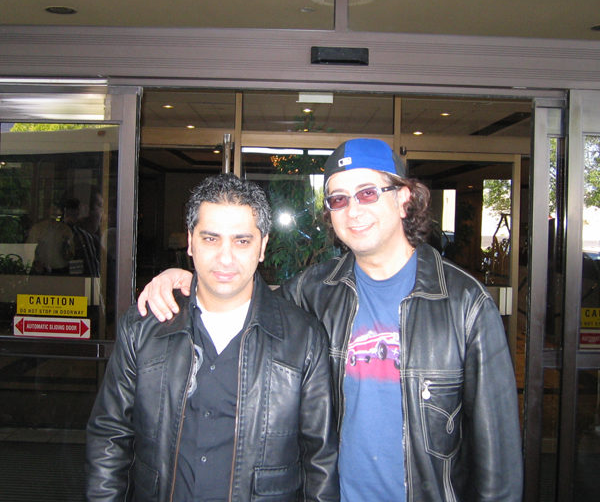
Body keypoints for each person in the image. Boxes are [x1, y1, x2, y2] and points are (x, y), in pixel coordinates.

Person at [138, 139, 523, 502]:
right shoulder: (313, 292)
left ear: (405, 199)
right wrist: (188, 280)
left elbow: (499, 458)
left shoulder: (465, 304)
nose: (352, 210)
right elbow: (242, 304)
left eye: (367, 193)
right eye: (338, 199)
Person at [87, 173, 339, 502]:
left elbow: (319, 461)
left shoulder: (303, 339)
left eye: (242, 241)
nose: (225, 257)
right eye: (210, 239)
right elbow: (110, 437)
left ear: (262, 247)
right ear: (190, 242)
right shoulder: (143, 328)